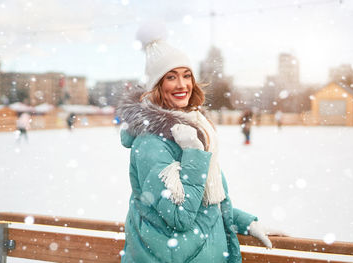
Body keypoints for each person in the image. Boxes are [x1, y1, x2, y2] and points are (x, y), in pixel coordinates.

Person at [116, 24, 281, 263]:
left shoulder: (192, 127)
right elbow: (179, 215)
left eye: (186, 75)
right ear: (156, 86)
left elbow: (204, 202)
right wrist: (193, 153)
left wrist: (245, 222)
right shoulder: (151, 143)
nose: (182, 85)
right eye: (171, 77)